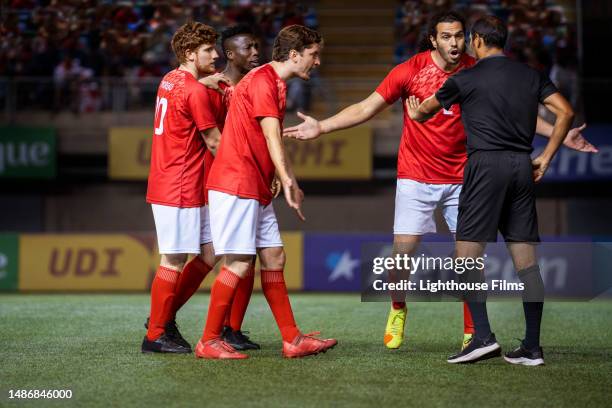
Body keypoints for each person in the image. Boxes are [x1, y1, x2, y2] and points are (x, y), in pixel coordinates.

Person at [283, 11, 594, 352]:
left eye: (459, 36)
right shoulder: (409, 71)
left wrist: (561, 136)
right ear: (433, 39)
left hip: (465, 177)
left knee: (469, 258)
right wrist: (322, 126)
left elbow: (512, 112)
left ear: (468, 39)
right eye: (446, 37)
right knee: (402, 257)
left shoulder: (476, 72)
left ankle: (473, 331)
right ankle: (398, 307)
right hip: (416, 177)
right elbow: (366, 107)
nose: (454, 43)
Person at [407, 15, 575, 366]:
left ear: (478, 41)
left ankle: (482, 337)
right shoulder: (530, 75)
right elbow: (566, 112)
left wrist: (416, 111)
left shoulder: (465, 77)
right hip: (521, 165)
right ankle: (531, 347)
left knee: (466, 255)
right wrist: (545, 157)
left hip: (485, 167)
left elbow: (425, 111)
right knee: (526, 262)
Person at [196, 25, 337, 359]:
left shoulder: (270, 80)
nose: (317, 62)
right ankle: (209, 340)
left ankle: (292, 339)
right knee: (239, 263)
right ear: (293, 55)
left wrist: (274, 174)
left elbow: (256, 130)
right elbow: (272, 135)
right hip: (236, 183)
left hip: (253, 185)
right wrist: (288, 178)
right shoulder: (263, 81)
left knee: (274, 256)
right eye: (313, 55)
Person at [166, 24, 263, 352]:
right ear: (231, 53)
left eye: (257, 47)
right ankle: (167, 319)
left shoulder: (254, 84)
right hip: (222, 178)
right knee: (231, 253)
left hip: (244, 175)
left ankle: (230, 328)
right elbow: (214, 140)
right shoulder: (212, 88)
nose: (255, 54)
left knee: (246, 253)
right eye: (248, 48)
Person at [142, 22, 227, 354]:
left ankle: (161, 317)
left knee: (211, 252)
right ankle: (156, 334)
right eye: (208, 50)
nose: (216, 55)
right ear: (191, 54)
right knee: (174, 259)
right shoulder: (193, 91)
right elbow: (216, 144)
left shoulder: (170, 79)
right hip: (178, 184)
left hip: (184, 182)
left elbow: (187, 88)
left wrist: (204, 81)